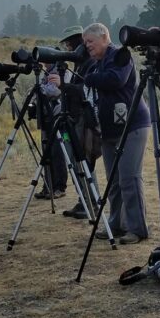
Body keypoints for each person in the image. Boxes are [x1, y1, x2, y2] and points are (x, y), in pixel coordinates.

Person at [83, 22, 150, 245]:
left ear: (104, 37)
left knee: (129, 177)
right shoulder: (97, 63)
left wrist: (90, 78)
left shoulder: (120, 55)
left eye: (90, 41)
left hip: (132, 125)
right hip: (109, 128)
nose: (87, 46)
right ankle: (116, 223)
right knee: (114, 180)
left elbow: (116, 80)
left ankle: (137, 229)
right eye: (85, 43)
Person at [50, 25, 101, 220]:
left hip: (81, 121)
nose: (69, 47)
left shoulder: (89, 63)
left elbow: (83, 91)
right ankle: (84, 200)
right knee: (74, 161)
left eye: (71, 43)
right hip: (70, 119)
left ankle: (91, 203)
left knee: (82, 162)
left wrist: (63, 85)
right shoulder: (80, 62)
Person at [34, 60, 72, 199]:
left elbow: (54, 91)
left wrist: (40, 89)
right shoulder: (47, 74)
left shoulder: (63, 72)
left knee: (58, 153)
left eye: (45, 61)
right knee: (46, 153)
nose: (44, 64)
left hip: (57, 117)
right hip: (46, 118)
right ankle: (48, 186)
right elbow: (38, 92)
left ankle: (60, 187)